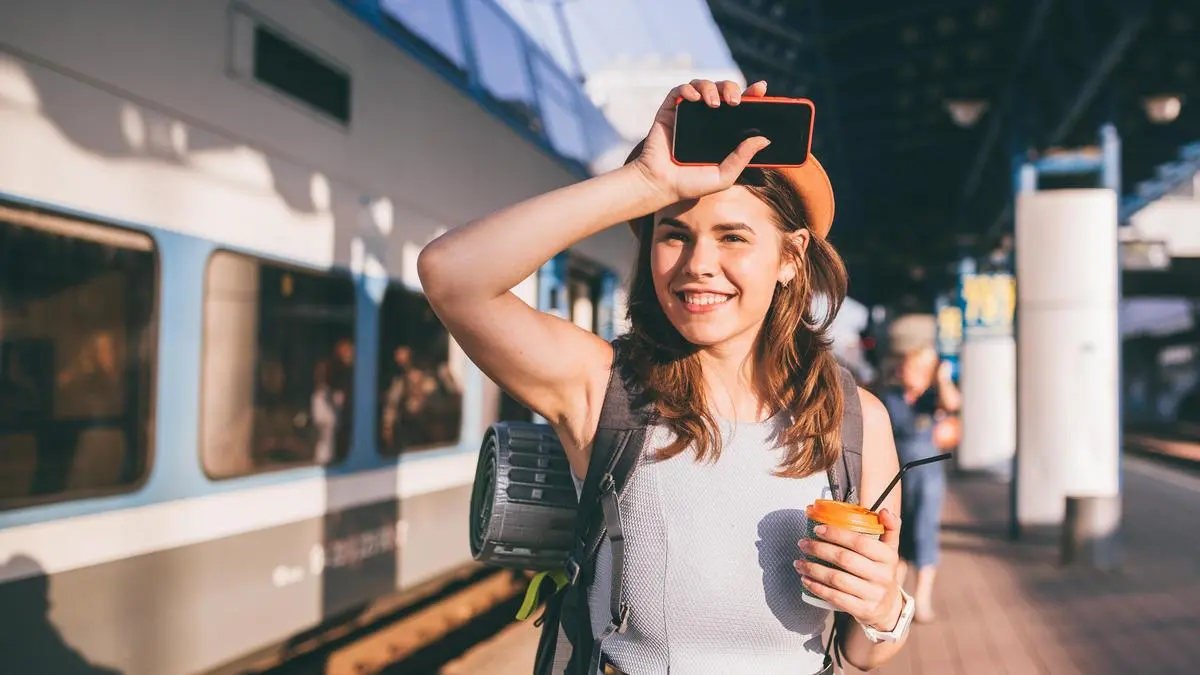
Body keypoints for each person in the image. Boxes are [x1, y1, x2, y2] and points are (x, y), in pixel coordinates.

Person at [419, 79, 912, 674]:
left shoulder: (858, 422)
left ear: (790, 257)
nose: (698, 265)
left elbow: (862, 653)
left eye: (733, 237)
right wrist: (646, 184)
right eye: (673, 234)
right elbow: (451, 275)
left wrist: (885, 605)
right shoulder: (606, 389)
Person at [878, 346, 961, 624]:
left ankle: (922, 600)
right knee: (897, 533)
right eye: (906, 367)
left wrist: (943, 377)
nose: (907, 373)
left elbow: (953, 404)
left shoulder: (931, 397)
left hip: (928, 475)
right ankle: (896, 597)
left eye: (914, 368)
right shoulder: (890, 396)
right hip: (898, 473)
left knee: (925, 532)